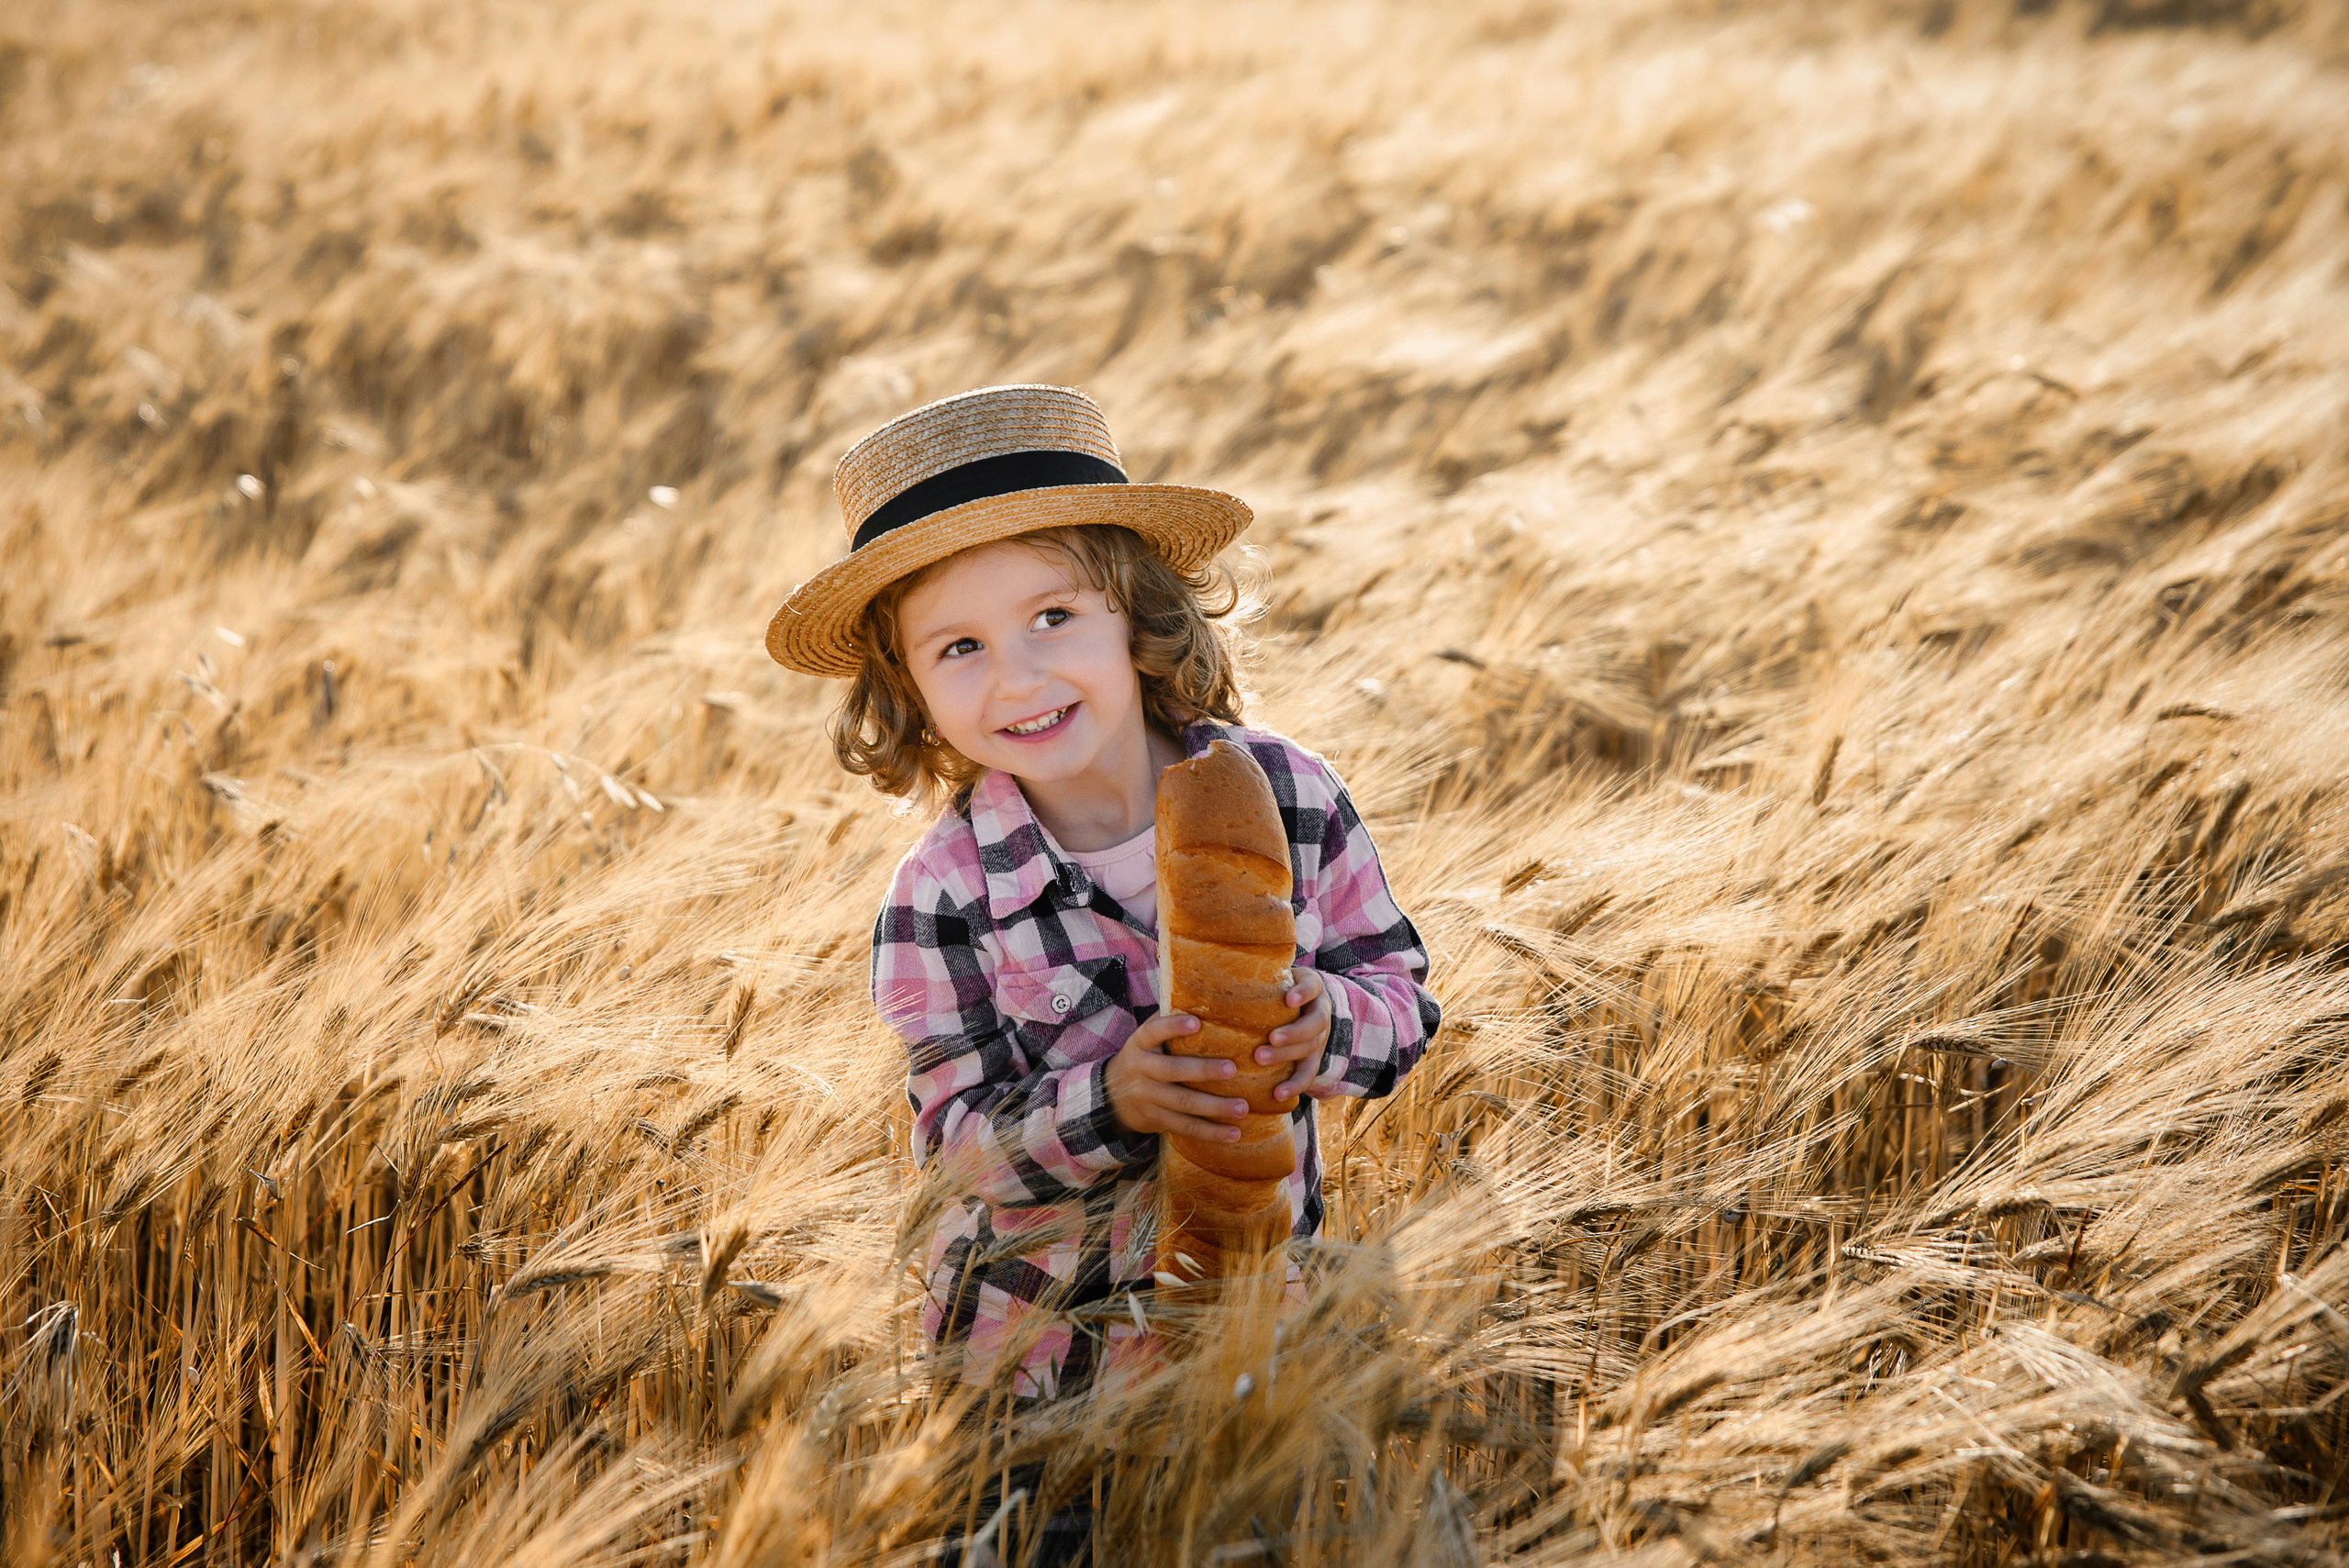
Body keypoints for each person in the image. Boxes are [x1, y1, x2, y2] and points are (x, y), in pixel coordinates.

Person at [764, 384, 1440, 1556]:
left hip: (1244, 1326)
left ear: (1136, 614)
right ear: (908, 688)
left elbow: (1402, 998)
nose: (1017, 677)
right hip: (1030, 1368)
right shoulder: (940, 895)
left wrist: (1326, 1024)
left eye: (1053, 615)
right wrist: (1112, 1101)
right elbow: (956, 1147)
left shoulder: (1286, 794)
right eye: (959, 647)